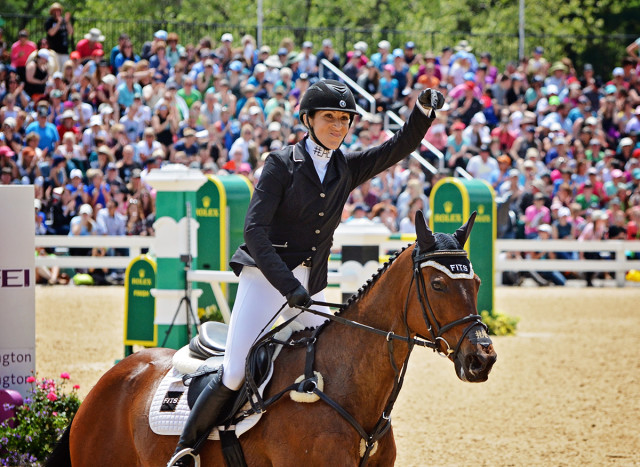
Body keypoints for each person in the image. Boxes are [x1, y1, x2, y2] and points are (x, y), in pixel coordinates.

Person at [168, 80, 444, 465]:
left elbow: (396, 148)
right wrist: (286, 286)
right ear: (308, 120)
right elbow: (254, 232)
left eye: (344, 119)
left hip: (309, 285)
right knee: (235, 371)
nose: (337, 125)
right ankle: (185, 450)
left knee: (320, 363)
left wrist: (422, 114)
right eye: (329, 117)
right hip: (266, 278)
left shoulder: (345, 168)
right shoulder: (282, 163)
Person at [45, 2, 73, 70]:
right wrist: (59, 23)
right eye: (55, 10)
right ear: (52, 11)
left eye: (58, 10)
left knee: (64, 70)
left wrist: (67, 21)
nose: (57, 12)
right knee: (55, 69)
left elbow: (71, 32)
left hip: (64, 51)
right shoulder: (49, 21)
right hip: (53, 51)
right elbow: (51, 33)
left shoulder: (64, 21)